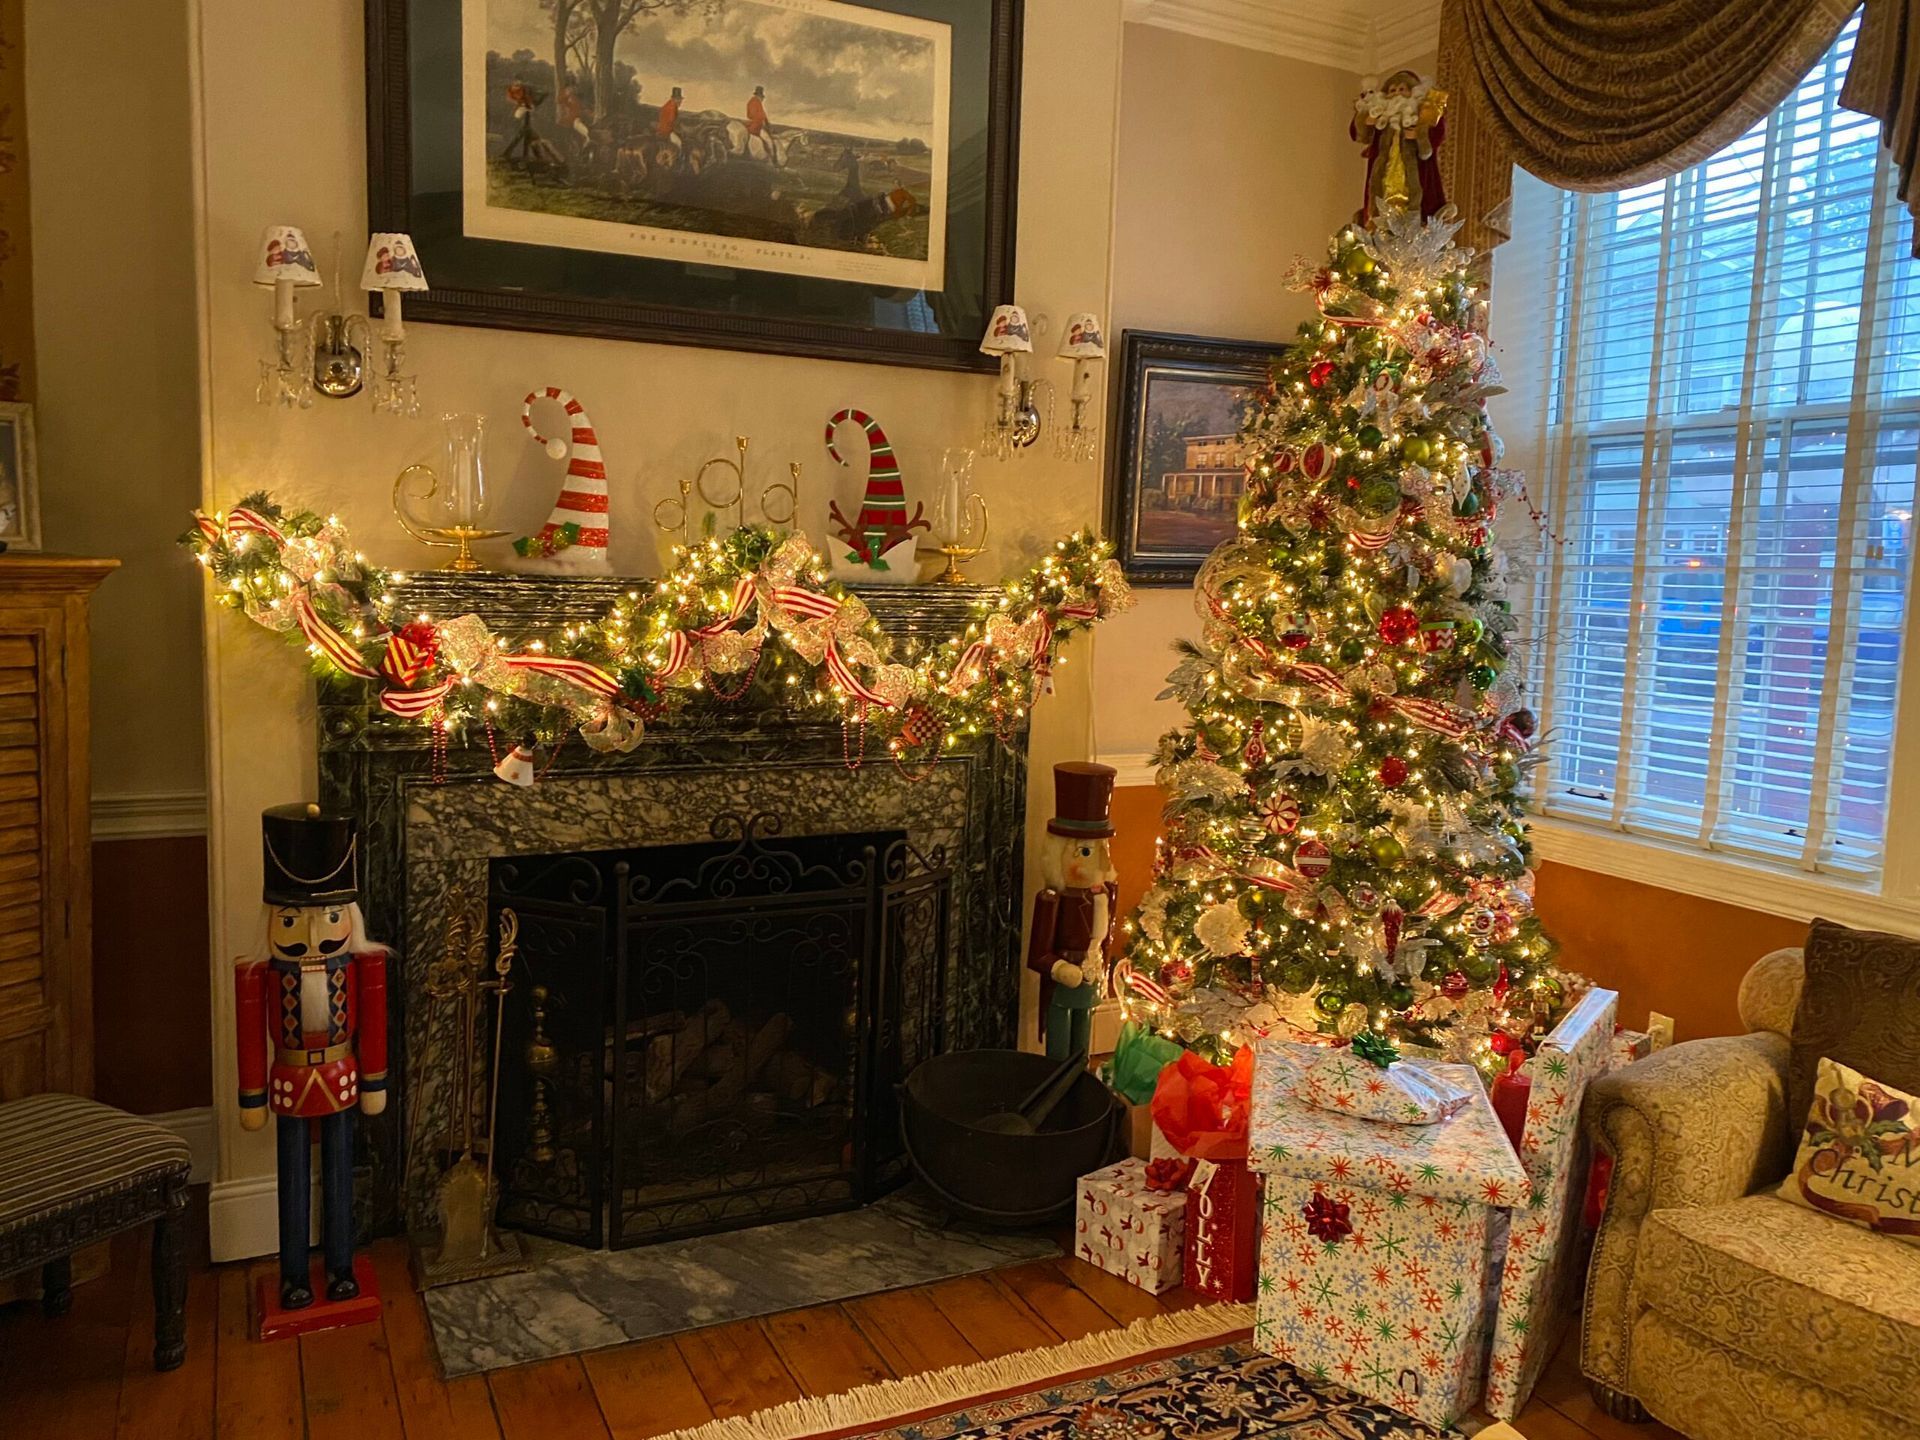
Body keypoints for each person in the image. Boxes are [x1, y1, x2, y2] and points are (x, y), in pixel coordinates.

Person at [235, 804, 389, 1311]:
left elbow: (374, 1027)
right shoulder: (262, 974)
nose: (314, 932)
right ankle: (294, 1274)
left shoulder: (362, 967)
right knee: (293, 1177)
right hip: (289, 1081)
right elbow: (250, 1035)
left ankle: (342, 1266)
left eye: (329, 916)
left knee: (341, 1175)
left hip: (342, 1076)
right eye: (291, 919)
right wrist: (251, 1095)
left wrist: (374, 1082)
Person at [1026, 763, 1120, 1061]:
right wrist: (1060, 968)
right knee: (1059, 1041)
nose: (1100, 863)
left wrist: (1102, 969)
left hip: (1092, 977)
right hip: (1064, 982)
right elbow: (1037, 953)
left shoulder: (1106, 895)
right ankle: (1056, 1080)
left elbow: (1105, 936)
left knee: (1083, 1039)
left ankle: (1081, 1080)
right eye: (1086, 852)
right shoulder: (1052, 900)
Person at [504, 78, 546, 162]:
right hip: (518, 117)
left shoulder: (524, 90)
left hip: (525, 117)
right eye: (516, 83)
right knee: (528, 136)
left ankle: (539, 157)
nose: (518, 84)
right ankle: (539, 157)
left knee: (533, 138)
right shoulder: (511, 91)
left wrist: (530, 104)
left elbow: (529, 102)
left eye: (519, 83)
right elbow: (514, 100)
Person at [557, 84, 592, 160]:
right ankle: (585, 142)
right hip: (571, 121)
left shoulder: (577, 98)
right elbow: (560, 101)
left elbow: (582, 109)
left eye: (573, 88)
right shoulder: (568, 98)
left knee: (581, 135)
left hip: (577, 119)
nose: (573, 89)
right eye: (570, 88)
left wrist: (588, 113)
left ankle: (585, 145)